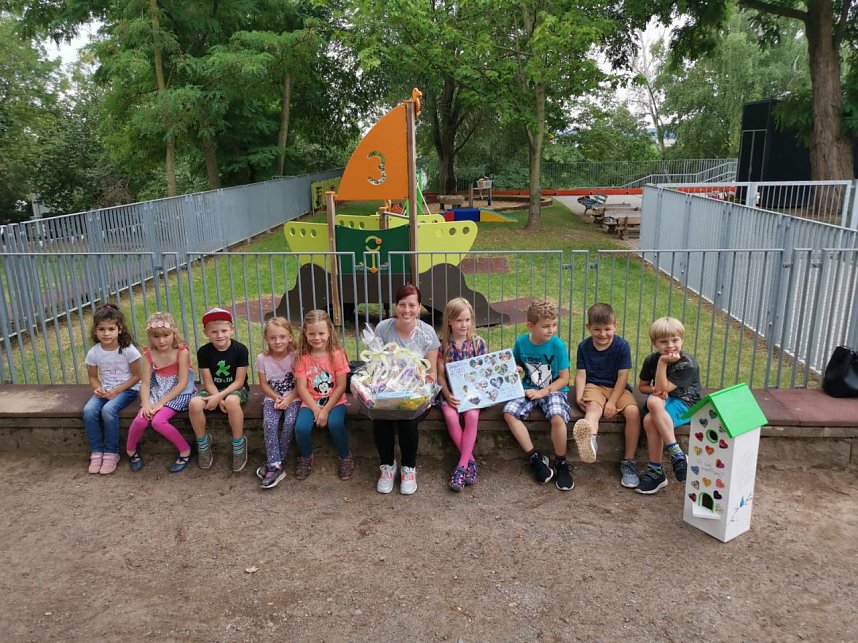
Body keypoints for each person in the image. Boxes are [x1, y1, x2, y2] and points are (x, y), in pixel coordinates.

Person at [372, 284, 440, 495]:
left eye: (412, 305)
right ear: (395, 306)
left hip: (417, 393)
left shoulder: (427, 333)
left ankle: (409, 468)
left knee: (407, 419)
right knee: (380, 416)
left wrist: (416, 389)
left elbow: (432, 375)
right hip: (387, 390)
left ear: (419, 307)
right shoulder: (383, 328)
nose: (407, 310)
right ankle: (387, 466)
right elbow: (375, 366)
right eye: (402, 304)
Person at [503, 299, 574, 491]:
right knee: (509, 413)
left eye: (554, 325)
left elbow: (564, 379)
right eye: (545, 326)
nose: (551, 330)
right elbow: (516, 364)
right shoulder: (521, 342)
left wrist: (543, 391)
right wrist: (517, 369)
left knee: (558, 417)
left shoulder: (557, 345)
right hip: (528, 387)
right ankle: (534, 457)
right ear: (531, 326)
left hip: (553, 389)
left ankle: (561, 463)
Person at [573, 303, 642, 488]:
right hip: (594, 385)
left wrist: (611, 402)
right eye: (597, 329)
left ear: (615, 326)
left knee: (634, 413)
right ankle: (590, 442)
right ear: (589, 327)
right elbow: (581, 374)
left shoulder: (622, 346)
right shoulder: (584, 347)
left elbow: (623, 376)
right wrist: (579, 396)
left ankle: (628, 462)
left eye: (607, 329)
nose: (602, 334)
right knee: (593, 409)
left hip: (618, 388)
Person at [636, 317, 701, 494]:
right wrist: (660, 366)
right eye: (664, 342)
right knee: (653, 400)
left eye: (675, 340)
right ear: (654, 343)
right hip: (663, 402)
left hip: (685, 403)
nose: (670, 346)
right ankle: (677, 453)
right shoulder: (652, 359)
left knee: (650, 419)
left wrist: (663, 364)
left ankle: (656, 471)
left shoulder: (688, 364)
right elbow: (642, 387)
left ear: (682, 340)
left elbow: (663, 388)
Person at [125, 312, 196, 473]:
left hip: (179, 392)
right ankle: (130, 450)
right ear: (150, 337)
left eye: (166, 335)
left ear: (174, 334)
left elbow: (183, 382)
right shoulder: (149, 354)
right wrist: (146, 403)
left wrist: (160, 403)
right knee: (141, 419)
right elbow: (145, 383)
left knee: (158, 421)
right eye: (156, 337)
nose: (161, 340)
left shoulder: (182, 352)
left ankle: (185, 450)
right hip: (158, 391)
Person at [293, 310, 353, 481]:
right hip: (310, 401)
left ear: (329, 332)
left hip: (335, 401)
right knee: (301, 428)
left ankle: (345, 456)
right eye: (312, 333)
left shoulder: (337, 354)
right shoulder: (302, 357)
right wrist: (315, 409)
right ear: (305, 333)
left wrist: (325, 410)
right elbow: (302, 388)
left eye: (321, 333)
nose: (317, 337)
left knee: (335, 424)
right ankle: (306, 456)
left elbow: (341, 386)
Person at [83, 303, 142, 475]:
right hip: (106, 390)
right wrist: (98, 389)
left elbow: (137, 375)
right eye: (101, 329)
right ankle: (96, 452)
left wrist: (117, 391)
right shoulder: (94, 352)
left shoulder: (127, 350)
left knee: (108, 410)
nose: (106, 333)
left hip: (127, 390)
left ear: (120, 329)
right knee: (88, 410)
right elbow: (93, 377)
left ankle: (111, 452)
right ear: (95, 331)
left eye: (111, 329)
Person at [188, 307, 249, 472]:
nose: (220, 335)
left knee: (231, 401)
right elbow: (207, 382)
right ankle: (202, 442)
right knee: (194, 403)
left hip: (236, 389)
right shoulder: (204, 352)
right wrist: (217, 398)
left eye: (224, 330)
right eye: (214, 331)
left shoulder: (240, 349)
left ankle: (238, 444)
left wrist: (220, 398)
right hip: (213, 389)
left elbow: (239, 381)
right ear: (206, 332)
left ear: (231, 329)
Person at [437, 297, 488, 492]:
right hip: (450, 393)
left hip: (473, 394)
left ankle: (461, 467)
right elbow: (440, 376)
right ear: (449, 321)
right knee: (450, 416)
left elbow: (484, 372)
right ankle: (471, 463)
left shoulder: (477, 344)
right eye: (459, 320)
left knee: (472, 416)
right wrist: (447, 394)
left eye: (467, 320)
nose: (464, 325)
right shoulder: (443, 345)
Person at [255, 317, 302, 488]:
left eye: (282, 336)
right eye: (273, 337)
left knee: (290, 422)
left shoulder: (296, 357)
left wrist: (289, 399)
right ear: (266, 338)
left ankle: (273, 463)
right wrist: (276, 398)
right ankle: (276, 465)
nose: (278, 341)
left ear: (290, 337)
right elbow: (263, 384)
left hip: (294, 397)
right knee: (269, 423)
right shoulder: (262, 358)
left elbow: (301, 384)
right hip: (273, 398)